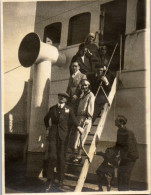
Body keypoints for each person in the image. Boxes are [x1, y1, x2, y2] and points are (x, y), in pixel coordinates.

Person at [44, 92, 84, 191]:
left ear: (66, 100)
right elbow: (46, 119)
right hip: (53, 136)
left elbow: (74, 119)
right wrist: (48, 128)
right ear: (58, 97)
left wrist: (79, 127)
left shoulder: (69, 109)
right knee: (52, 156)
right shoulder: (52, 108)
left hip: (63, 136)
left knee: (61, 158)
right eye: (60, 96)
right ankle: (50, 180)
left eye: (64, 97)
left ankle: (60, 181)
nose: (62, 98)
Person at [71, 79, 95, 163]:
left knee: (81, 139)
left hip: (85, 118)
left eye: (86, 85)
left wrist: (89, 118)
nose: (84, 87)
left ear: (89, 86)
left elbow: (91, 107)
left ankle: (79, 156)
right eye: (83, 85)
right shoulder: (82, 95)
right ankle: (75, 155)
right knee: (75, 139)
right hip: (78, 118)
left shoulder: (91, 95)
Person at [114, 115, 139, 191]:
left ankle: (125, 191)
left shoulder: (128, 132)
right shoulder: (119, 131)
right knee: (120, 174)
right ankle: (120, 191)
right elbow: (118, 144)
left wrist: (119, 157)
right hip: (125, 156)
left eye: (116, 120)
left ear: (121, 122)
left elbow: (128, 147)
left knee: (125, 175)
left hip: (131, 157)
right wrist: (111, 152)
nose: (115, 121)